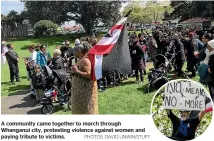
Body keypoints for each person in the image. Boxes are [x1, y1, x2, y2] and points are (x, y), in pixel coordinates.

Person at [71, 42, 98, 114]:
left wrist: (77, 71)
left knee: (85, 110)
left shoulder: (86, 60)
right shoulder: (78, 60)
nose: (74, 52)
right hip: (78, 90)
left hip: (85, 90)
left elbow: (88, 74)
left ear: (80, 51)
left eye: (75, 50)